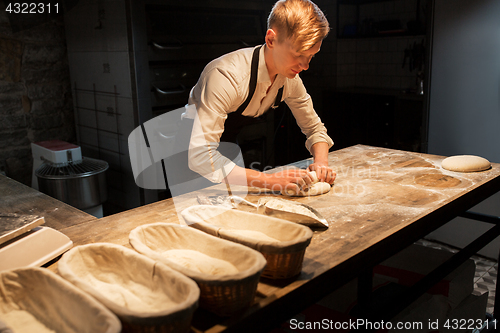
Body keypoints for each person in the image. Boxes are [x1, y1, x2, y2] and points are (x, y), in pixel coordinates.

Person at [173, 0, 336, 196]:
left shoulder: (289, 79)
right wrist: (270, 180)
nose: (305, 65)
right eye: (298, 54)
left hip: (225, 152)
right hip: (189, 161)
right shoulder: (226, 76)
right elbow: (199, 156)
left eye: (311, 56)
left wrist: (321, 163)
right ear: (271, 40)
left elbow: (314, 128)